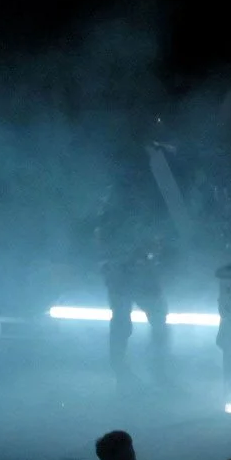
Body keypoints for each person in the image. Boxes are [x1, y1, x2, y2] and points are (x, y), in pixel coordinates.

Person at [94, 164, 175, 391]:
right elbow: (106, 237)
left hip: (133, 270)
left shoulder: (119, 200)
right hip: (125, 270)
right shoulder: (115, 203)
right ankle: (133, 375)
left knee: (152, 319)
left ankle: (154, 373)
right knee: (128, 322)